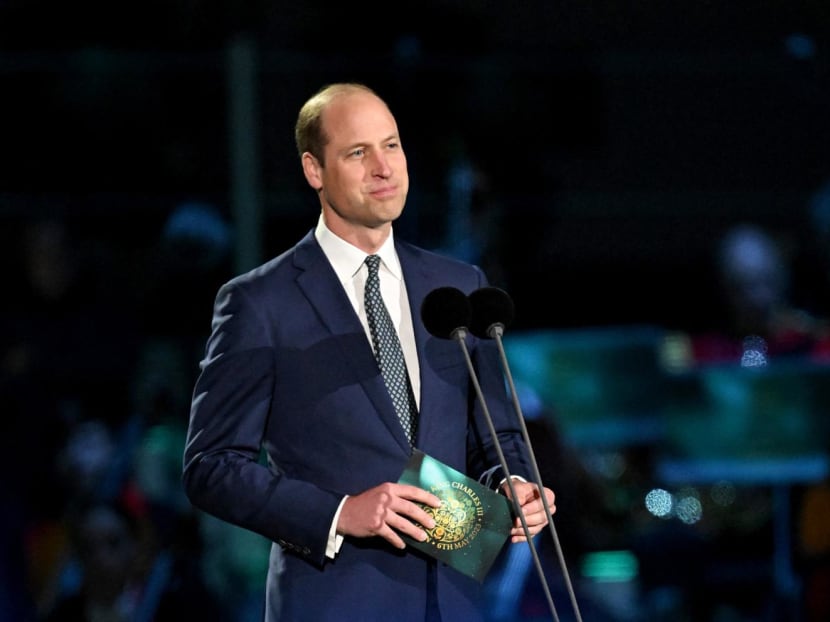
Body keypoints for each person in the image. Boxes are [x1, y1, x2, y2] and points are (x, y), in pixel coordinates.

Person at [181, 82, 555, 622]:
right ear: (314, 170)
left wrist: (514, 483)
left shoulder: (458, 286)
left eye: (392, 146)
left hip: (455, 603)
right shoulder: (261, 302)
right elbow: (211, 466)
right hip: (334, 602)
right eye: (358, 152)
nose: (384, 168)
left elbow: (498, 435)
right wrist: (339, 513)